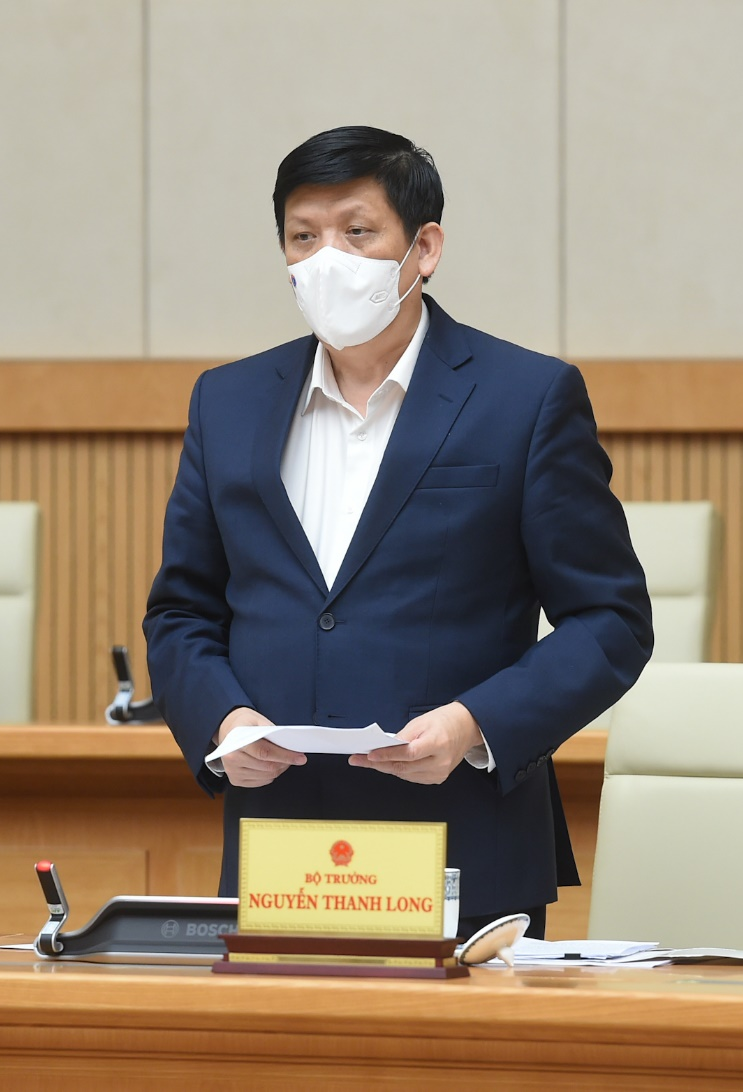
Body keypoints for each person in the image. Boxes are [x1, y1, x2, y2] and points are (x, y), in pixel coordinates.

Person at [143, 126, 652, 938]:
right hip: (282, 856)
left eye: (357, 231)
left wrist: (475, 724)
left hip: (463, 850)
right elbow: (181, 613)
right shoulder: (227, 402)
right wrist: (224, 721)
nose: (328, 260)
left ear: (425, 249)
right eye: (303, 238)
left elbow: (610, 621)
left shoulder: (525, 398)